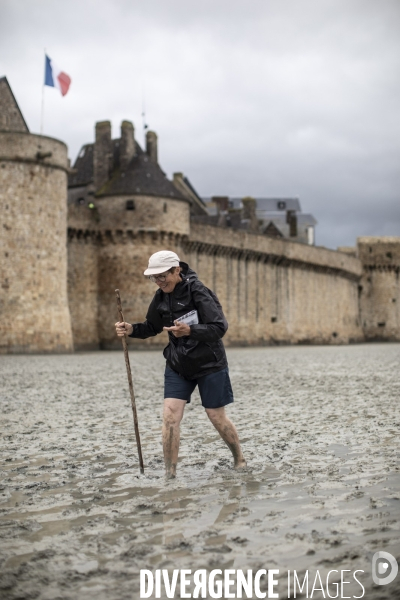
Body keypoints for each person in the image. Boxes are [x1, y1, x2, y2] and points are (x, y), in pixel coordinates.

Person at [115, 250, 246, 479]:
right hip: (178, 364)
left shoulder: (199, 292)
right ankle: (170, 474)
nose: (158, 281)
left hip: (209, 363)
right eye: (154, 277)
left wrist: (191, 330)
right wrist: (131, 329)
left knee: (216, 416)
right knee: (170, 415)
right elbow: (151, 327)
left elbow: (219, 327)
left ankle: (239, 459)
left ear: (177, 270)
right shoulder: (160, 296)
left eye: (162, 276)